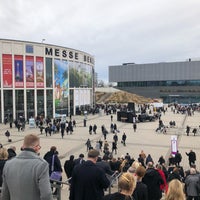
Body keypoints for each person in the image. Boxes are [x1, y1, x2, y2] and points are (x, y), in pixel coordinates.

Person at [1, 134, 53, 200]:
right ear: (36, 147)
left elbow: (5, 194)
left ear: (23, 146)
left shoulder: (8, 164)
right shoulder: (41, 164)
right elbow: (46, 195)